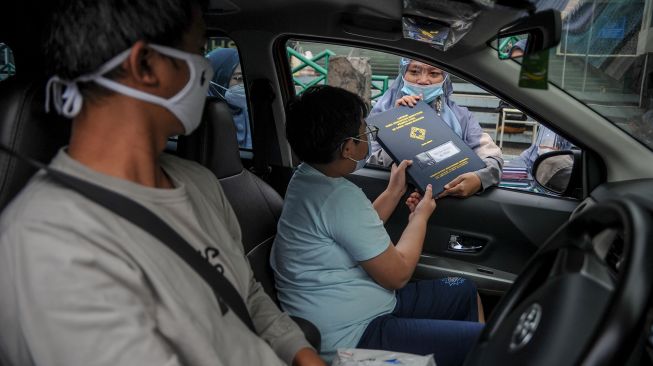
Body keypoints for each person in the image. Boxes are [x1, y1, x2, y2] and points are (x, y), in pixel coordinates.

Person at [0, 1, 324, 365]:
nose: (203, 69)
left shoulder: (198, 181)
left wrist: (300, 353)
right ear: (145, 66)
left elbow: (245, 291)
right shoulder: (52, 245)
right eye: (198, 51)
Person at [272, 85, 485, 366]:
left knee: (464, 290)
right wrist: (419, 217)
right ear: (348, 148)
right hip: (354, 336)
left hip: (368, 306)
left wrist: (394, 191)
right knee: (483, 341)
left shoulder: (307, 179)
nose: (368, 139)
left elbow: (356, 229)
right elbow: (396, 275)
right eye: (365, 133)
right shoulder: (338, 197)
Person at [369, 59, 503, 198]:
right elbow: (365, 158)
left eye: (433, 73)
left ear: (444, 78)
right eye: (414, 72)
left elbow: (492, 157)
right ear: (403, 74)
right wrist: (396, 127)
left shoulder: (462, 118)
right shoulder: (381, 115)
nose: (423, 80)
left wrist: (479, 179)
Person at [206, 47, 252, 149]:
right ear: (217, 79)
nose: (245, 85)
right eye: (238, 78)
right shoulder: (203, 119)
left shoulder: (248, 112)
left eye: (246, 78)